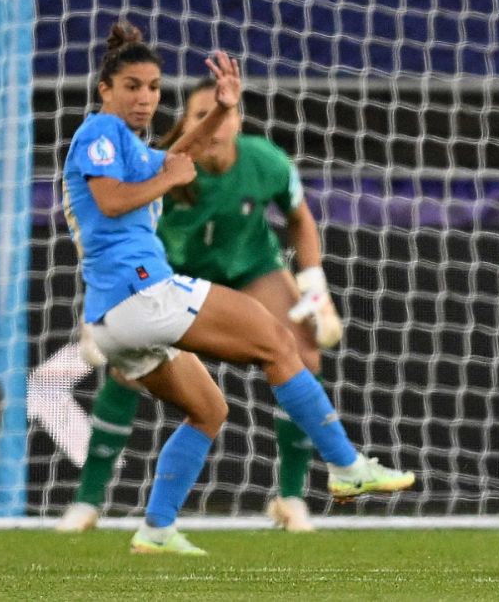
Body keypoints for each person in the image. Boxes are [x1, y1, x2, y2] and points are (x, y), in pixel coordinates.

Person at [60, 22, 412, 555]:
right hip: (142, 294)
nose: (145, 97)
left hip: (114, 319)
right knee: (278, 342)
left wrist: (223, 108)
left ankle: (156, 529)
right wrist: (168, 181)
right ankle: (345, 467)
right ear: (105, 89)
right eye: (132, 86)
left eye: (153, 87)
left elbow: (183, 152)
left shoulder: (128, 143)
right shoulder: (98, 134)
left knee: (209, 409)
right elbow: (112, 201)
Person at [56, 75, 344, 534]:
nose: (214, 126)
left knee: (303, 354)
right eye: (198, 115)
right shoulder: (167, 170)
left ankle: (290, 498)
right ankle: (87, 501)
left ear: (236, 120)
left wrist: (314, 288)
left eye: (221, 114)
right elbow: (112, 235)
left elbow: (300, 219)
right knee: (124, 369)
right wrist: (98, 310)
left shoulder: (265, 162)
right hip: (174, 273)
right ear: (188, 124)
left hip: (250, 268)